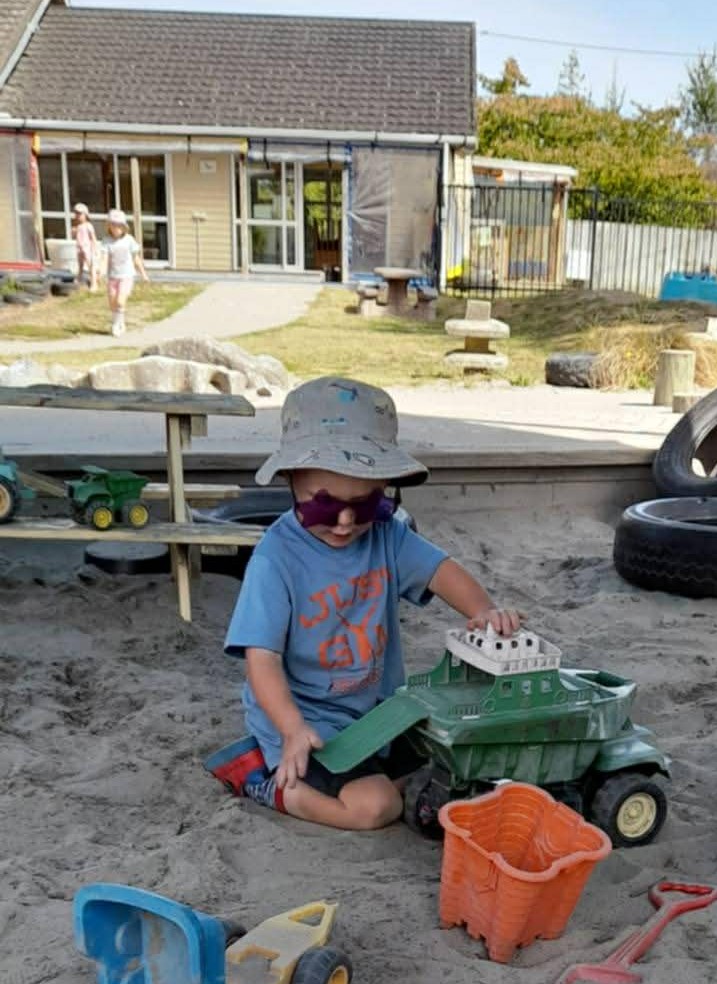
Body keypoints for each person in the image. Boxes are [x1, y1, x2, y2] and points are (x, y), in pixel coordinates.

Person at [220, 376, 521, 832]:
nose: (344, 522)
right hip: (309, 721)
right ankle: (268, 783)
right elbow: (261, 660)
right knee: (375, 807)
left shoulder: (386, 534)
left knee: (458, 758)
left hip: (379, 713)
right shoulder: (276, 558)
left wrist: (482, 611)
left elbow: (442, 572)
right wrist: (291, 728)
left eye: (363, 506)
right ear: (290, 482)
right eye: (323, 506)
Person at [103, 208, 148, 336]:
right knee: (112, 301)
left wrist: (143, 274)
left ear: (123, 227)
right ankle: (118, 320)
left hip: (126, 275)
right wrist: (100, 271)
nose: (115, 228)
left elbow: (136, 258)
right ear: (109, 226)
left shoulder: (129, 240)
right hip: (113, 276)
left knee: (120, 300)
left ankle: (117, 325)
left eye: (118, 225)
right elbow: (104, 258)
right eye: (113, 225)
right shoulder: (107, 241)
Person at [71, 203, 98, 291]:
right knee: (80, 265)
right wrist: (73, 232)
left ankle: (94, 283)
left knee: (90, 265)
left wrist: (94, 248)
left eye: (80, 214)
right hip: (79, 248)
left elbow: (93, 238)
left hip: (87, 248)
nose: (78, 216)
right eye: (76, 214)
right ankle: (78, 279)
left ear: (85, 215)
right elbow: (75, 237)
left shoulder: (88, 225)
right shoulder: (78, 226)